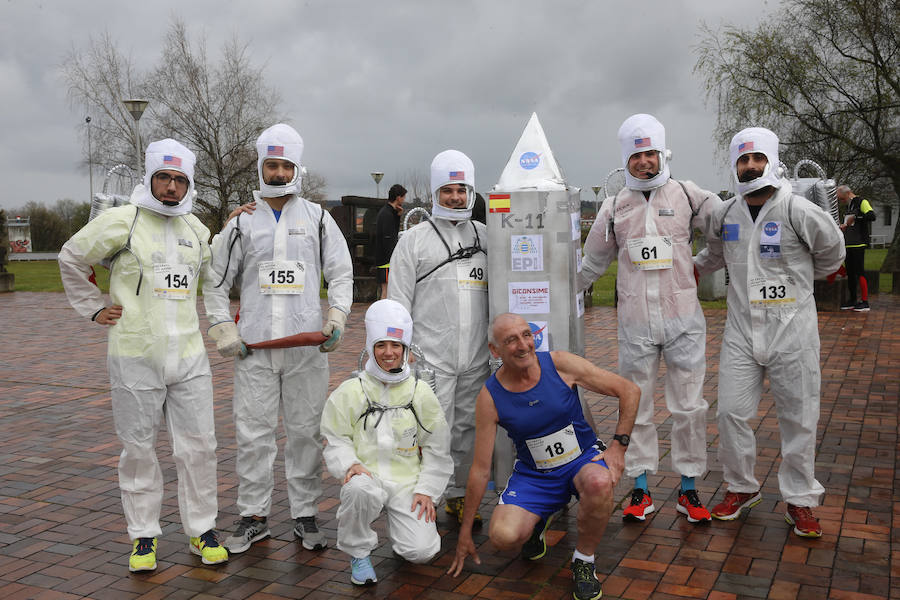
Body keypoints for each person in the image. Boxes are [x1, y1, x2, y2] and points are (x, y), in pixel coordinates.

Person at [58, 139, 228, 572]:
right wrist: (93, 307)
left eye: (179, 180)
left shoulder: (197, 231)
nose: (171, 187)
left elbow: (216, 280)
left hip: (190, 357)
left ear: (189, 184)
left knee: (199, 447)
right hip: (135, 354)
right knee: (137, 449)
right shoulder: (122, 221)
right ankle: (143, 537)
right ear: (150, 179)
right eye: (164, 178)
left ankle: (202, 530)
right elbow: (71, 256)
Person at [203, 123, 353, 553]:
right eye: (273, 164)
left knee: (306, 433)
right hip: (254, 351)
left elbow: (341, 273)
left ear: (296, 168)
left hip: (307, 350)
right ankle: (253, 517)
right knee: (253, 434)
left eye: (287, 165)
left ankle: (305, 515)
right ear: (261, 166)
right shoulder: (240, 223)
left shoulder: (319, 219)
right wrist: (222, 327)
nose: (280, 173)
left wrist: (337, 316)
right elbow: (215, 282)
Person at [694, 126, 844, 538]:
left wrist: (801, 282)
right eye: (742, 160)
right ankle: (741, 488)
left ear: (771, 160)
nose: (750, 166)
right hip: (741, 332)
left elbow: (832, 253)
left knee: (799, 417)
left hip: (792, 330)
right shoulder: (726, 214)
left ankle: (800, 500)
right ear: (734, 165)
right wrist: (685, 270)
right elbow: (713, 254)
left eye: (757, 158)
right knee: (730, 414)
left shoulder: (798, 210)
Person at [579, 114, 721, 524]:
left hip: (684, 322)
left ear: (663, 154)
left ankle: (689, 489)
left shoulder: (689, 196)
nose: (645, 162)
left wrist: (699, 265)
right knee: (636, 405)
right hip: (636, 325)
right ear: (627, 159)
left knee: (689, 406)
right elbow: (591, 264)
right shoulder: (613, 207)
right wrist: (552, 294)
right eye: (637, 156)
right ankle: (639, 490)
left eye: (651, 154)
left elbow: (724, 232)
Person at [448, 313, 639, 600]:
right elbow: (480, 469)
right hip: (535, 474)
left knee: (600, 482)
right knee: (503, 537)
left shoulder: (559, 364)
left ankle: (584, 561)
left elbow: (629, 390)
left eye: (527, 335)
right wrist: (465, 532)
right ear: (495, 350)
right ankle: (539, 519)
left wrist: (618, 448)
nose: (523, 345)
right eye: (511, 340)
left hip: (582, 460)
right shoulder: (489, 397)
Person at [388, 149, 489, 524]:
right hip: (430, 359)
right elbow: (397, 301)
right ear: (435, 193)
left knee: (466, 429)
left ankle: (459, 494)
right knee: (428, 429)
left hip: (476, 357)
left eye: (462, 190)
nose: (456, 198)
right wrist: (401, 352)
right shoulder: (414, 240)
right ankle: (421, 496)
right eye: (448, 190)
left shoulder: (484, 236)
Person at [321, 300, 452, 586]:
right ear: (370, 347)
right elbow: (335, 435)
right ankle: (359, 552)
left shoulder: (419, 392)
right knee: (357, 490)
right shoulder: (353, 390)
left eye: (396, 345)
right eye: (381, 345)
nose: (389, 353)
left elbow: (437, 447)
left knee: (422, 551)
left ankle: (403, 531)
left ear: (406, 348)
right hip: (368, 478)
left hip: (408, 482)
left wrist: (428, 490)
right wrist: (350, 464)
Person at [837, 185, 876, 312]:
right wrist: (844, 226)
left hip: (859, 243)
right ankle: (853, 300)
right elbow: (850, 223)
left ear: (848, 193)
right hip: (848, 244)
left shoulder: (862, 202)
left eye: (842, 199)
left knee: (860, 272)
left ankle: (865, 302)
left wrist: (857, 218)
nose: (841, 202)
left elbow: (871, 216)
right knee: (851, 273)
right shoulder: (849, 206)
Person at [374, 184, 406, 299]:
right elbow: (389, 238)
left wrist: (398, 216)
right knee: (386, 291)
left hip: (385, 259)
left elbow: (393, 232)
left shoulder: (388, 212)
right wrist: (395, 257)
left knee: (387, 290)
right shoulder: (387, 214)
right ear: (398, 198)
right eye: (403, 197)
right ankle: (383, 315)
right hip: (386, 260)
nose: (404, 200)